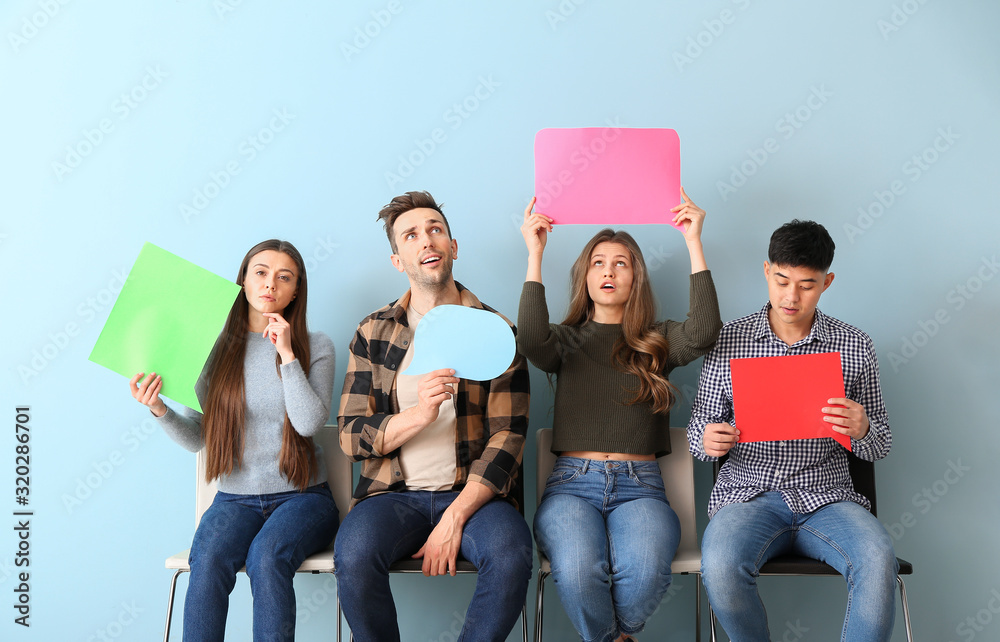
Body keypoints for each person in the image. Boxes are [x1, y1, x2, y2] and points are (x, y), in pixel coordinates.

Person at [518, 189, 722, 642]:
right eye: (598, 262)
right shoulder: (565, 341)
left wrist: (693, 241)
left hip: (641, 487)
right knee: (574, 571)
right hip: (572, 484)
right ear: (585, 277)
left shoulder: (657, 339)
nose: (609, 271)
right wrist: (535, 254)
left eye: (621, 263)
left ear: (636, 278)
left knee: (647, 570)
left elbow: (706, 331)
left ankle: (615, 636)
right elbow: (530, 339)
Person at [334, 190, 533, 642]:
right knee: (355, 553)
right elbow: (350, 437)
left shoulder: (495, 331)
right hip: (391, 496)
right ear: (398, 259)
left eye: (435, 230)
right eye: (411, 235)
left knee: (512, 554)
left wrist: (454, 517)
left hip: (476, 497)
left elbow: (509, 437)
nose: (426, 241)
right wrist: (418, 415)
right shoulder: (373, 332)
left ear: (452, 247)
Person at [688, 220, 898, 641]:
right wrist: (708, 439)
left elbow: (881, 445)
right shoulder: (728, 340)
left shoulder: (854, 345)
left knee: (877, 559)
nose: (791, 296)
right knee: (722, 564)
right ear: (767, 271)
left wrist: (863, 427)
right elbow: (697, 435)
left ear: (827, 282)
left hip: (829, 498)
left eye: (807, 284)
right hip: (749, 496)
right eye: (782, 280)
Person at [129, 239, 338, 641]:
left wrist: (288, 354)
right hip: (234, 498)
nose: (270, 284)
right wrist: (159, 409)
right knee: (206, 558)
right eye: (260, 272)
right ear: (242, 280)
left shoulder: (317, 345)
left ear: (297, 290)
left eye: (284, 277)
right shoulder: (215, 351)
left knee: (267, 556)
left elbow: (309, 423)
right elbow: (196, 439)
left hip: (304, 497)